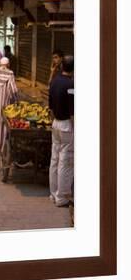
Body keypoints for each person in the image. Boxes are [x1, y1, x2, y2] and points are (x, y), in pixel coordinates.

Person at [48, 55, 74, 208]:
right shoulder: (70, 85)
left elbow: (50, 106)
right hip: (66, 125)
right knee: (65, 161)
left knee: (55, 159)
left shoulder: (55, 81)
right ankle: (62, 197)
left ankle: (53, 193)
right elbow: (72, 112)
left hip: (55, 123)